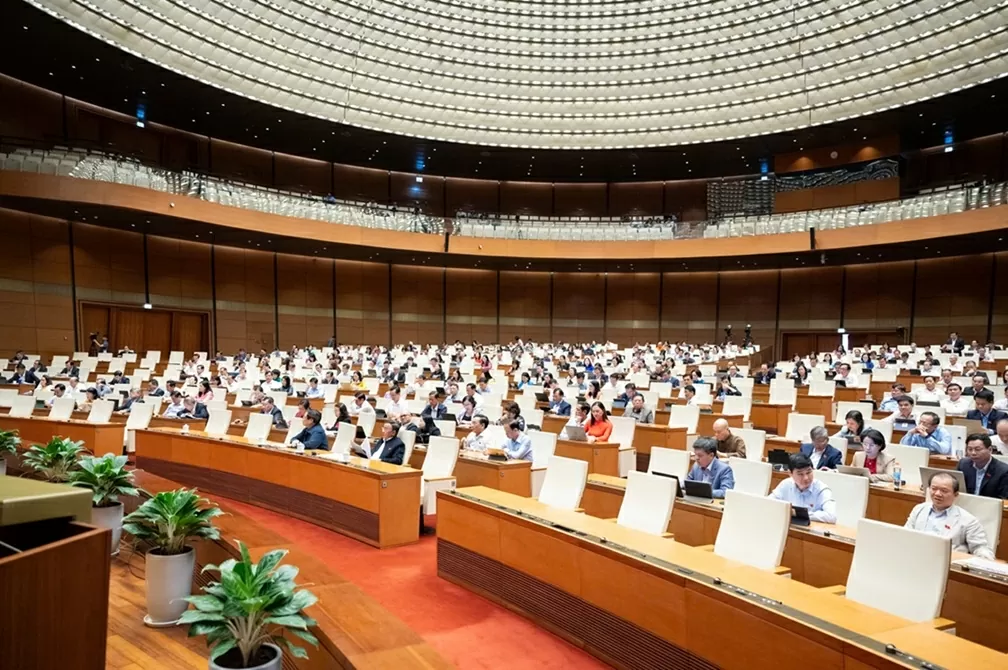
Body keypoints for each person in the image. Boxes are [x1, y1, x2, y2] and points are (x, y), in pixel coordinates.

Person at [904, 472, 995, 559]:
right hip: (915, 557)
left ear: (955, 495)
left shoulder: (968, 520)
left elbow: (981, 548)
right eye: (934, 488)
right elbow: (905, 535)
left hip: (947, 564)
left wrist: (985, 560)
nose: (937, 494)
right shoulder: (919, 509)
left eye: (944, 491)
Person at [768, 453, 837, 524]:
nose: (806, 478)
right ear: (790, 474)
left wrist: (801, 514)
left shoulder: (822, 489)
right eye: (800, 474)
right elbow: (768, 503)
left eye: (809, 472)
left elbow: (831, 516)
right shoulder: (786, 484)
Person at [957, 433, 1008, 498]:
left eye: (977, 449)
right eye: (970, 449)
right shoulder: (963, 464)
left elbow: (1004, 498)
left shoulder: (1004, 471)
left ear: (990, 450)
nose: (973, 453)